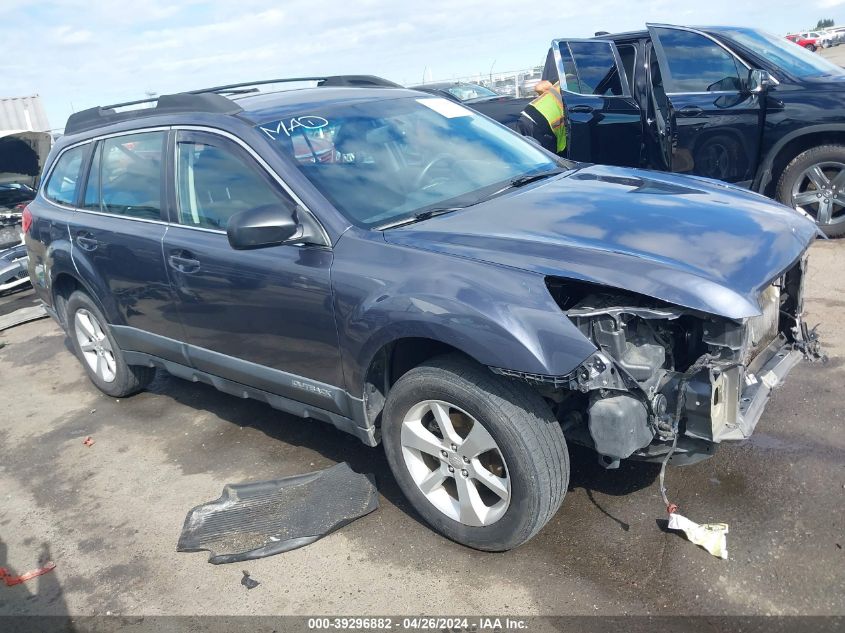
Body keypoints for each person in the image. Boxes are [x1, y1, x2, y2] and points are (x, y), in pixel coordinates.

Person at [517, 80, 566, 155]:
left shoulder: (563, 83)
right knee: (544, 156)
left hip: (530, 117)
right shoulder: (570, 86)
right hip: (536, 122)